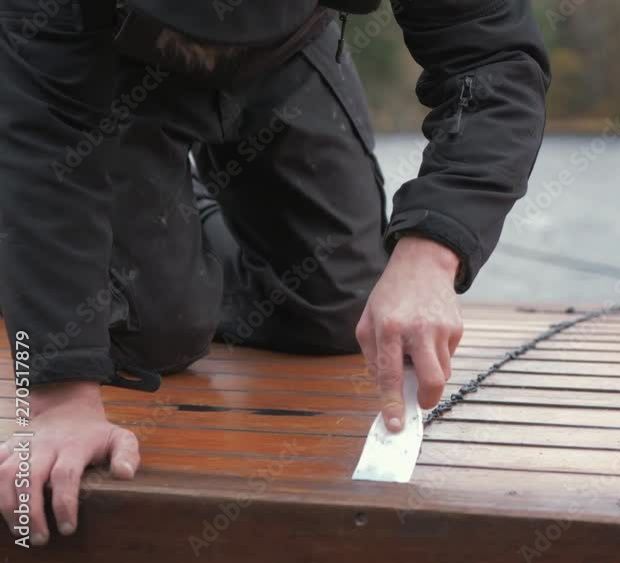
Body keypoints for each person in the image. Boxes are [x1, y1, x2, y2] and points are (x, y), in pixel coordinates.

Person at [0, 0, 549, 545]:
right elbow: (40, 142)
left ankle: (182, 216)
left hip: (286, 42)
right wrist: (58, 397)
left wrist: (429, 254)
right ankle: (147, 241)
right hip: (109, 51)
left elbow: (495, 58)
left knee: (337, 314)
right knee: (154, 332)